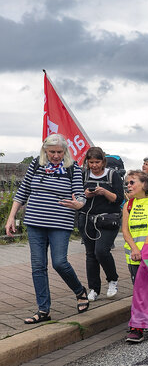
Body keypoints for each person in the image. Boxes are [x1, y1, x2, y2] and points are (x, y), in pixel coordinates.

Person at [4, 134, 89, 324]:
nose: (56, 155)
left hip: (60, 222)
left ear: (65, 151)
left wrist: (79, 204)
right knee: (38, 266)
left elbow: (80, 195)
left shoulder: (72, 168)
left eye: (60, 152)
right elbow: (23, 191)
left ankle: (79, 291)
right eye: (52, 152)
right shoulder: (36, 164)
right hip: (35, 222)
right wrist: (11, 217)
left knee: (59, 262)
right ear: (45, 150)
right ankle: (43, 310)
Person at [78, 147, 125, 302]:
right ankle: (94, 288)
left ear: (103, 161)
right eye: (91, 162)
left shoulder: (113, 175)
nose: (94, 165)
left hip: (107, 219)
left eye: (97, 162)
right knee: (90, 255)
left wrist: (104, 192)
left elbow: (118, 199)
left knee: (101, 251)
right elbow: (77, 196)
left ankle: (112, 280)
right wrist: (85, 194)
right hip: (87, 219)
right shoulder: (83, 175)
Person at [121, 170, 148, 343]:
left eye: (132, 182)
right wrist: (135, 249)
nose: (128, 185)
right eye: (127, 183)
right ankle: (137, 327)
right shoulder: (128, 205)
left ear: (144, 184)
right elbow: (125, 231)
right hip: (134, 257)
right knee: (139, 291)